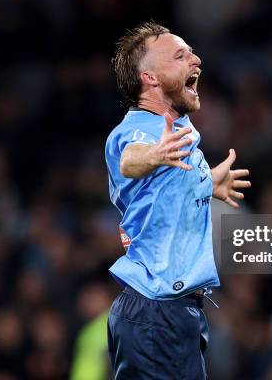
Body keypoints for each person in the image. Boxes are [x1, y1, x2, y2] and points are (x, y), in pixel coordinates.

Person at [104, 22, 251, 379]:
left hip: (173, 313)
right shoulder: (141, 129)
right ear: (150, 78)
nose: (196, 60)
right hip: (155, 313)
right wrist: (153, 154)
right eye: (180, 55)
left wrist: (206, 183)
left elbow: (163, 191)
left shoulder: (179, 135)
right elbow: (131, 158)